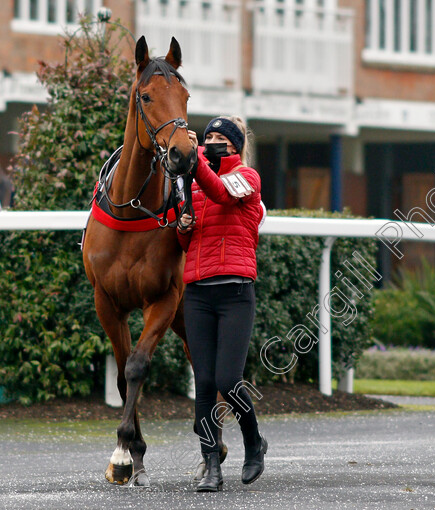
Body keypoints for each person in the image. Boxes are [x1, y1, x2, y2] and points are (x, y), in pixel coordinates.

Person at [178, 116, 267, 492]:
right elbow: (188, 242)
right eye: (208, 137)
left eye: (219, 138)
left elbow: (220, 193)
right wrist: (182, 227)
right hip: (198, 292)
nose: (212, 142)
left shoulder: (247, 177)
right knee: (205, 383)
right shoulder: (195, 183)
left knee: (229, 381)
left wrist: (194, 159)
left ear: (234, 146)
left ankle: (253, 441)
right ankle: (212, 466)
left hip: (235, 292)